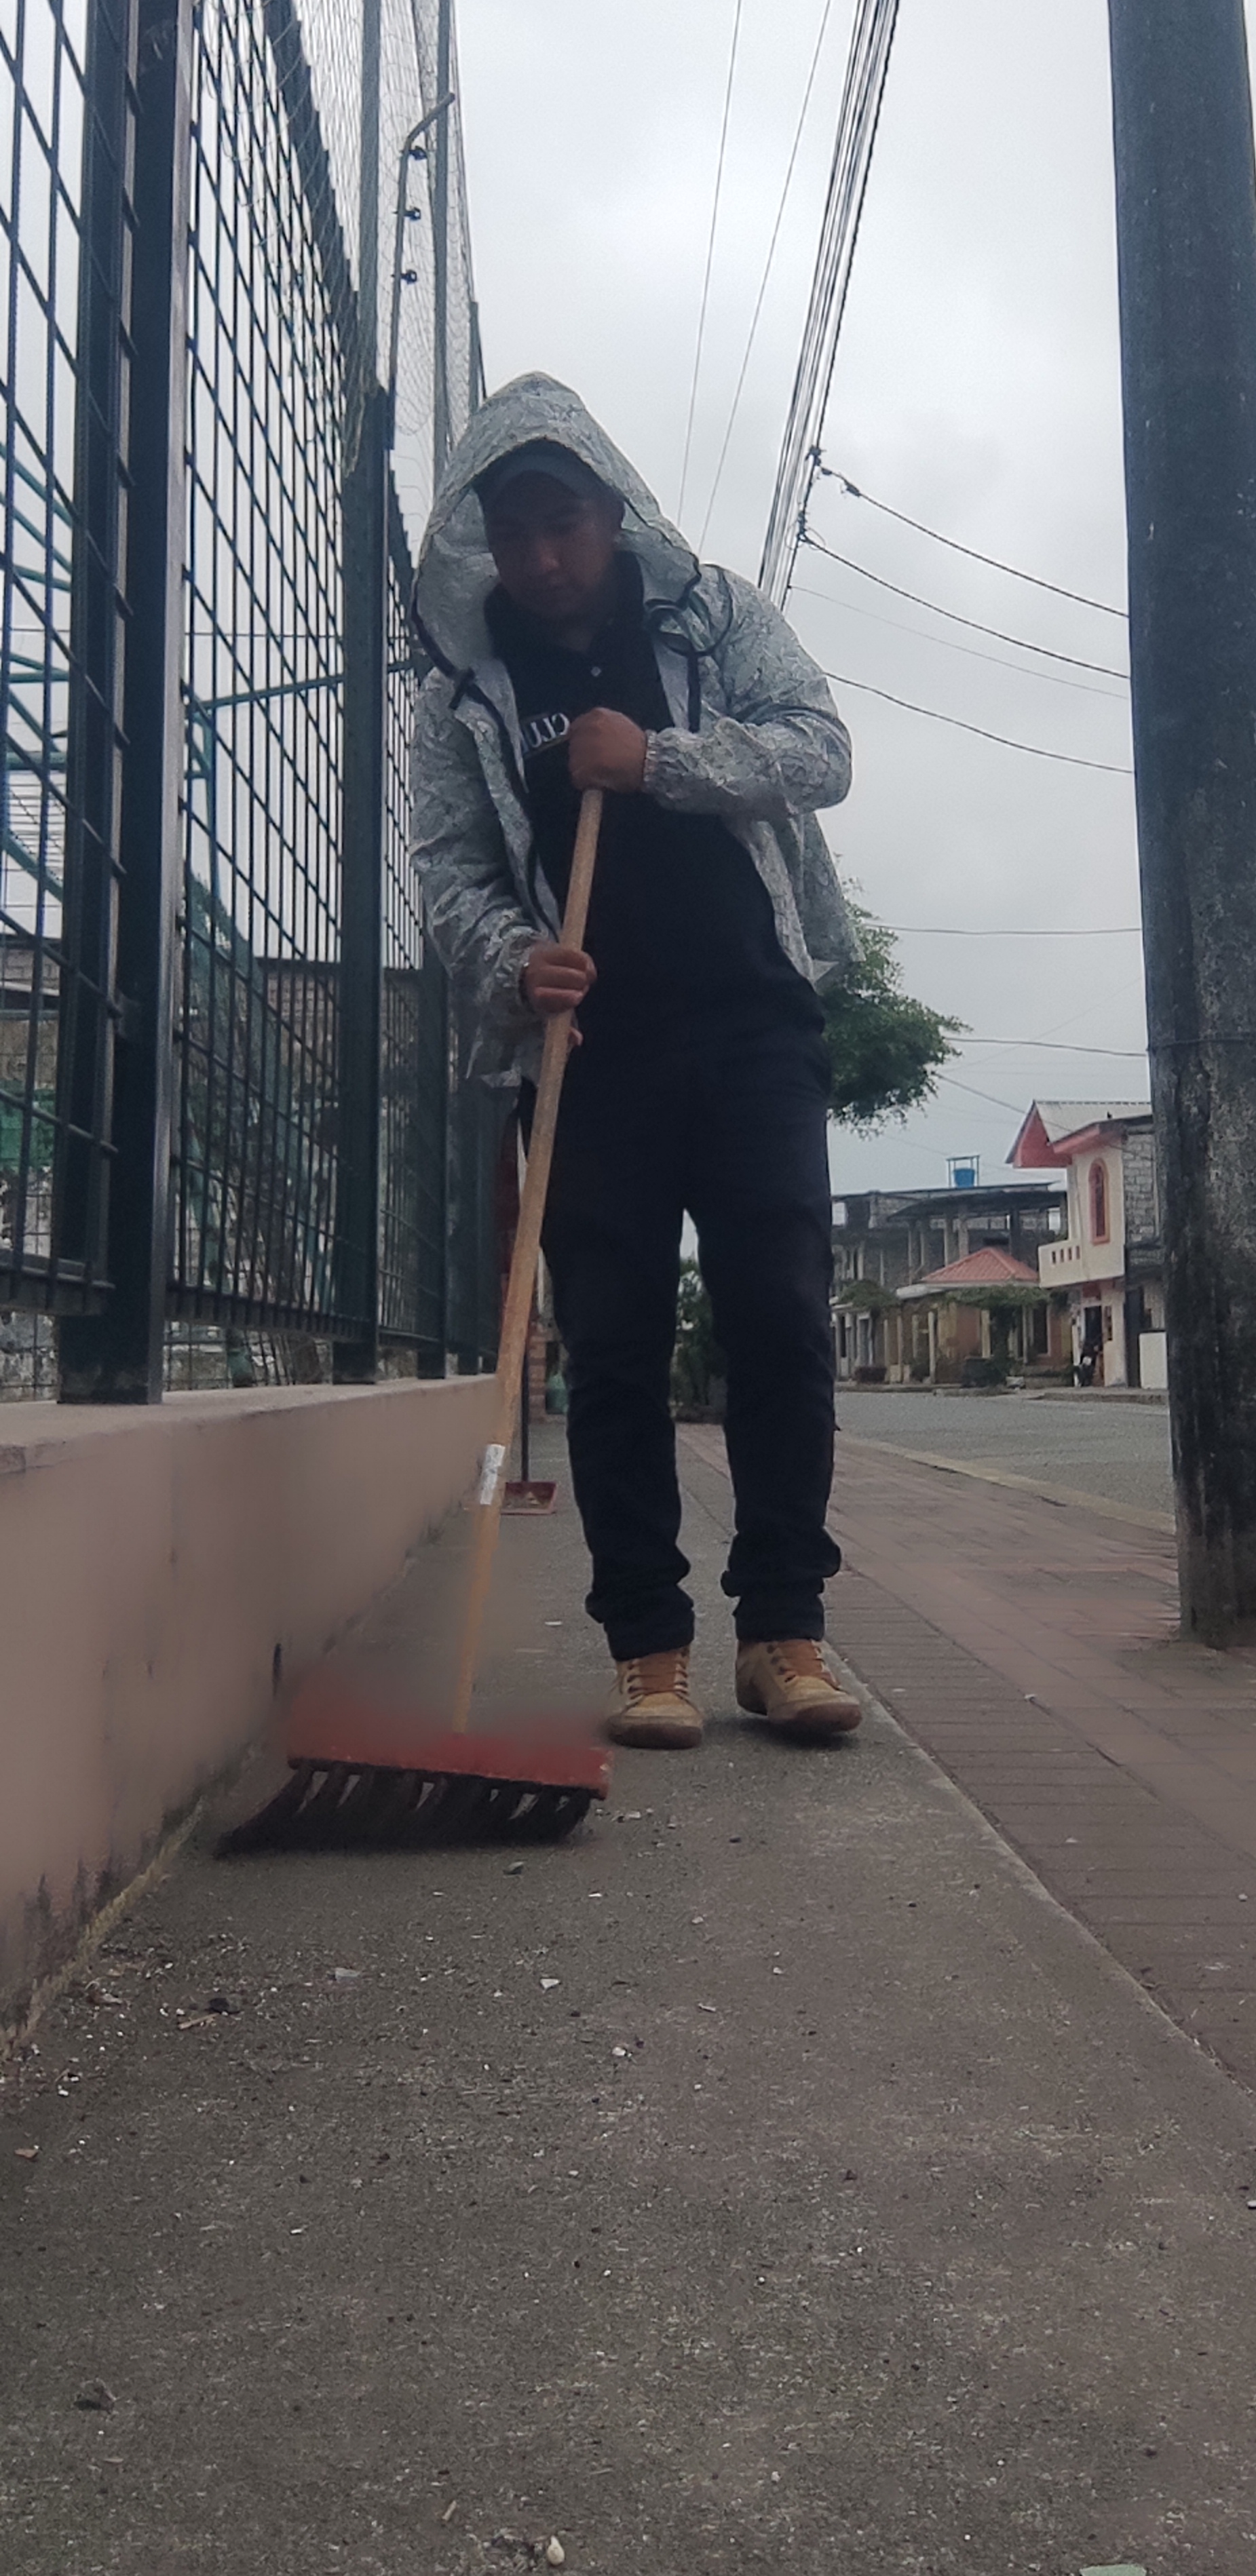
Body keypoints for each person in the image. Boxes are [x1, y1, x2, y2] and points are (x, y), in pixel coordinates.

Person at [412, 374, 862, 1750]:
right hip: (588, 1053)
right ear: (482, 539)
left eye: (564, 524)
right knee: (611, 1349)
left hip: (752, 1026)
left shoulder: (711, 618)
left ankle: (782, 1634)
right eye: (514, 532)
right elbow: (450, 875)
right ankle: (648, 1650)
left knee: (779, 1320)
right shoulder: (469, 695)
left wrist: (657, 759)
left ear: (613, 514)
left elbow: (820, 751)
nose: (542, 557)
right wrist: (516, 964)